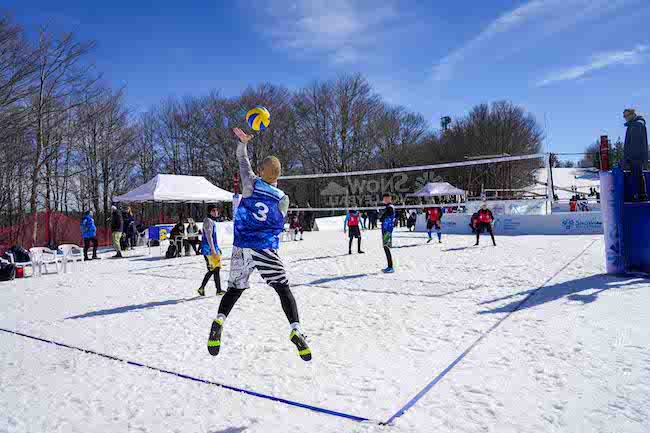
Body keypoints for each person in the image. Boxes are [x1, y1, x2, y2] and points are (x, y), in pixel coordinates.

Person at [207, 128, 311, 361]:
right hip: (264, 247)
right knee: (282, 288)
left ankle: (219, 320)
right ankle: (296, 329)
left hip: (242, 245)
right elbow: (278, 222)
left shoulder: (251, 183)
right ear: (279, 175)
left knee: (234, 289)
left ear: (262, 171)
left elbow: (242, 162)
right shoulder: (282, 198)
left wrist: (243, 144)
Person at [198, 205, 224, 296]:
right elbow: (209, 236)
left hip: (213, 249)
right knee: (213, 269)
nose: (216, 212)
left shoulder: (211, 221)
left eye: (216, 210)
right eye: (213, 210)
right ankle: (202, 288)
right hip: (209, 250)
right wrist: (213, 249)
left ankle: (218, 290)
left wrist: (217, 248)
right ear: (210, 212)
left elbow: (213, 237)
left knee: (216, 269)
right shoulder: (207, 221)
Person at [623, 108, 648, 201]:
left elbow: (635, 144)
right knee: (636, 175)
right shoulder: (633, 125)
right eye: (624, 116)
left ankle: (641, 195)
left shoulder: (636, 125)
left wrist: (628, 157)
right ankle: (639, 195)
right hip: (634, 156)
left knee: (637, 175)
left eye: (627, 115)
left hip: (636, 156)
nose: (625, 118)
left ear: (633, 114)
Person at [380, 193, 396, 273]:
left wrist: (382, 217)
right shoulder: (388, 207)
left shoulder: (389, 207)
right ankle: (389, 266)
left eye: (387, 198)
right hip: (386, 229)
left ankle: (390, 267)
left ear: (390, 198)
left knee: (386, 246)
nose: (385, 200)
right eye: (384, 198)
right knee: (386, 246)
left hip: (387, 230)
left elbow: (386, 217)